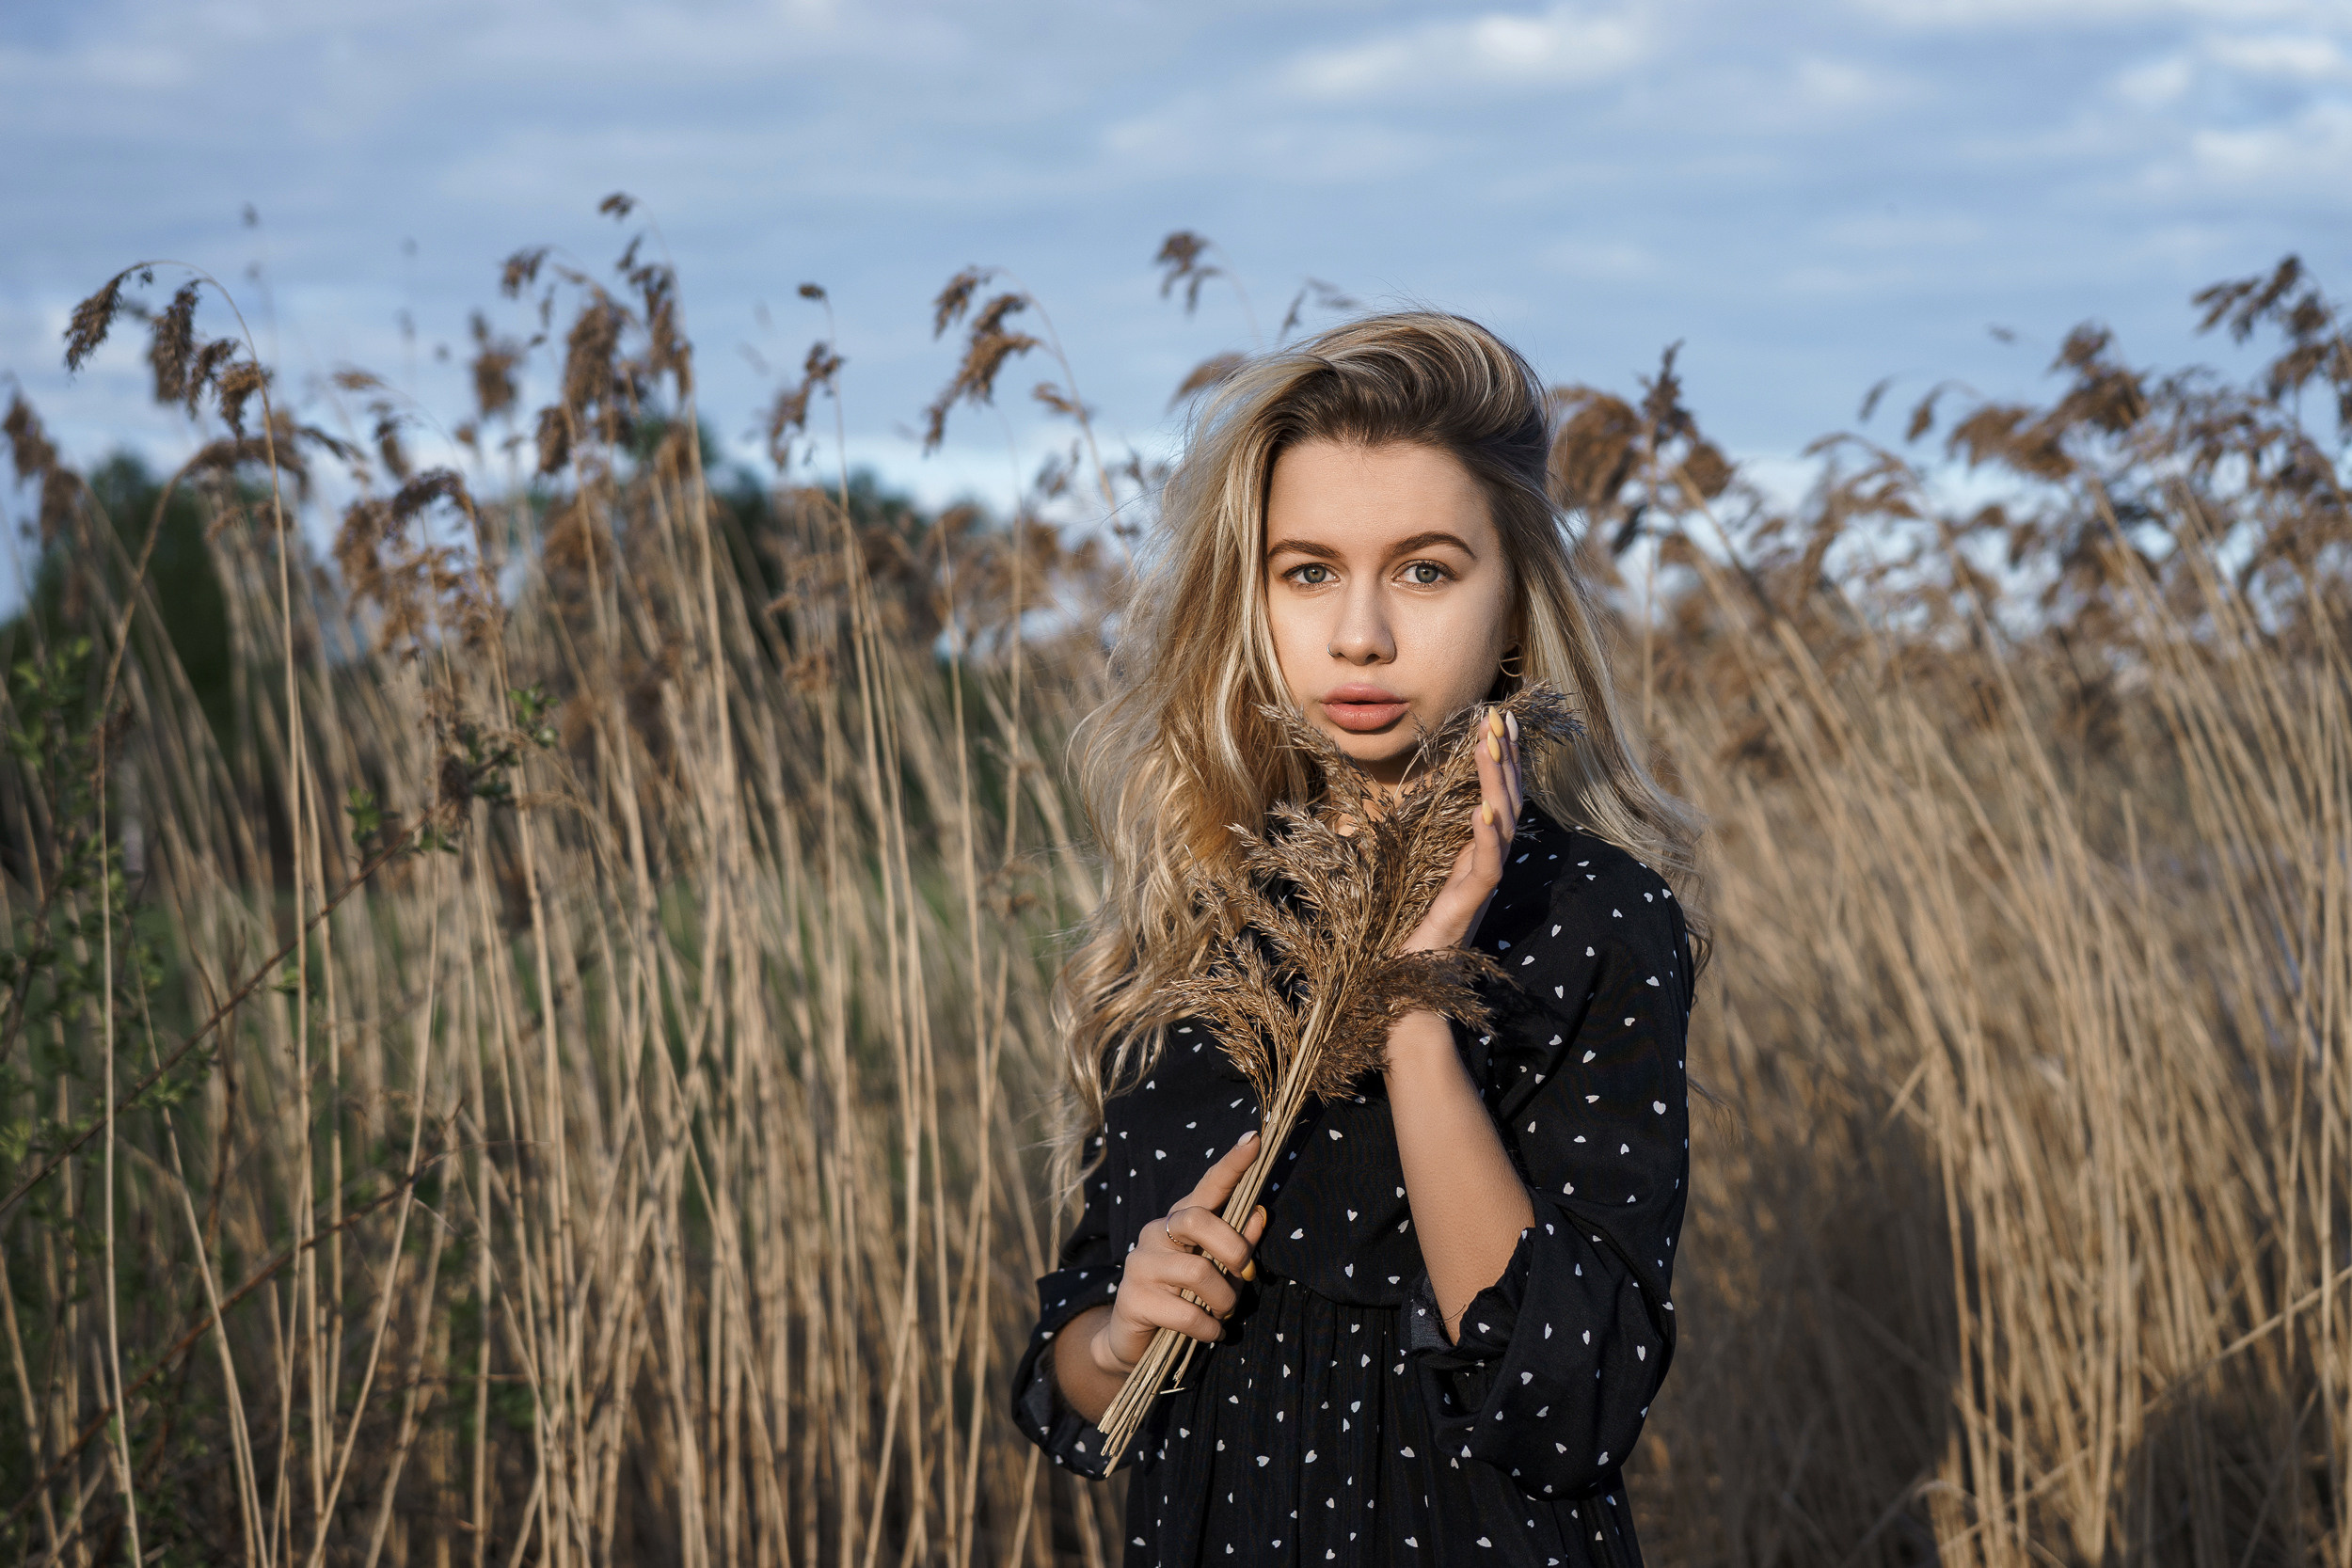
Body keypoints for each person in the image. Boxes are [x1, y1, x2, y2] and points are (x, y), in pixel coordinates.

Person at [1009, 312, 1706, 1567]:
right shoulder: (1201, 913)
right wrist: (1120, 1335)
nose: (1361, 635)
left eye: (1426, 572)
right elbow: (1068, 1382)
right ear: (1253, 596)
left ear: (1514, 604)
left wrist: (1416, 1011)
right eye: (1309, 571)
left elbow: (1575, 1404)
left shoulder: (1591, 916)